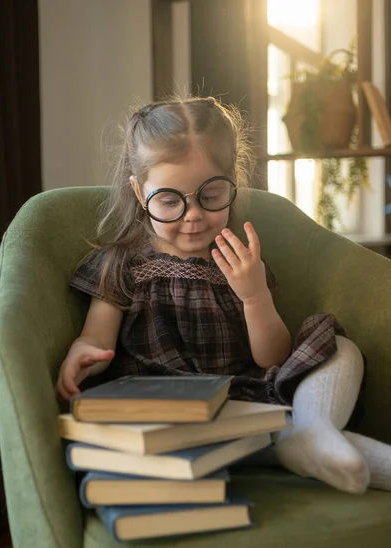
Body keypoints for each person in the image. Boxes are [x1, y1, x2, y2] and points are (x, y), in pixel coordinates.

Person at [57, 96, 391, 494]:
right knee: (283, 431)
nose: (192, 215)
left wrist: (255, 297)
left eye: (210, 196)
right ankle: (301, 439)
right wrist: (84, 354)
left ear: (231, 179)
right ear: (137, 192)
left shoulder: (240, 261)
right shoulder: (121, 264)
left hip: (248, 405)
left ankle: (311, 431)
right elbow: (97, 339)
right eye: (168, 201)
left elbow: (271, 358)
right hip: (170, 412)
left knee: (336, 346)